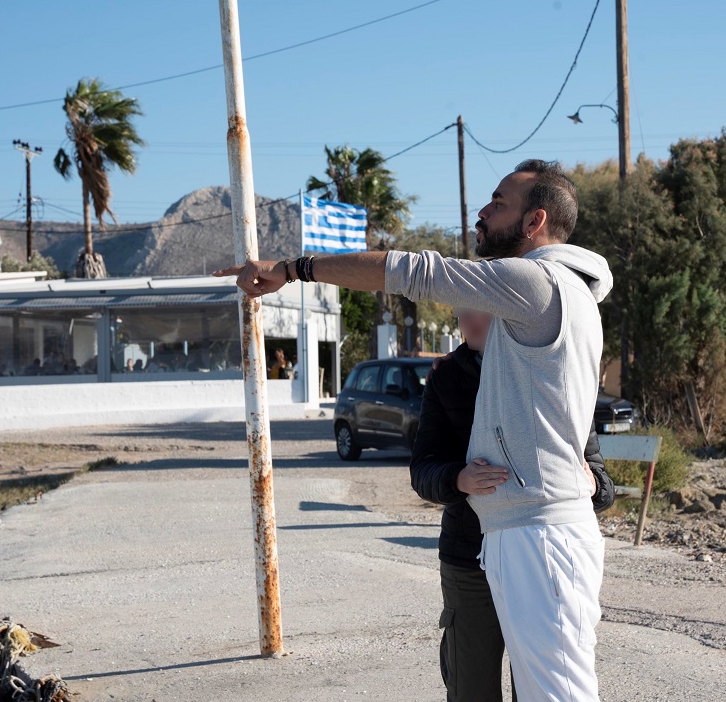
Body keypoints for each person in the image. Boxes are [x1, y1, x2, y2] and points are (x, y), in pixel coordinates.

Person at [216, 159, 613, 700]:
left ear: (533, 221)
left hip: (539, 533)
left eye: (498, 202)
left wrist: (293, 269)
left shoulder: (537, 280)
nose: (482, 211)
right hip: (524, 529)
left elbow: (411, 272)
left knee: (559, 694)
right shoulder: (560, 291)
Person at [412, 307, 615, 701]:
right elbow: (422, 469)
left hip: (539, 555)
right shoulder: (446, 376)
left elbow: (602, 484)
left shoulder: (553, 369)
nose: (470, 322)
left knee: (539, 686)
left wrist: (591, 484)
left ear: (506, 310)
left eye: (482, 311)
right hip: (469, 559)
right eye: (462, 312)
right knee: (470, 689)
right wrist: (458, 479)